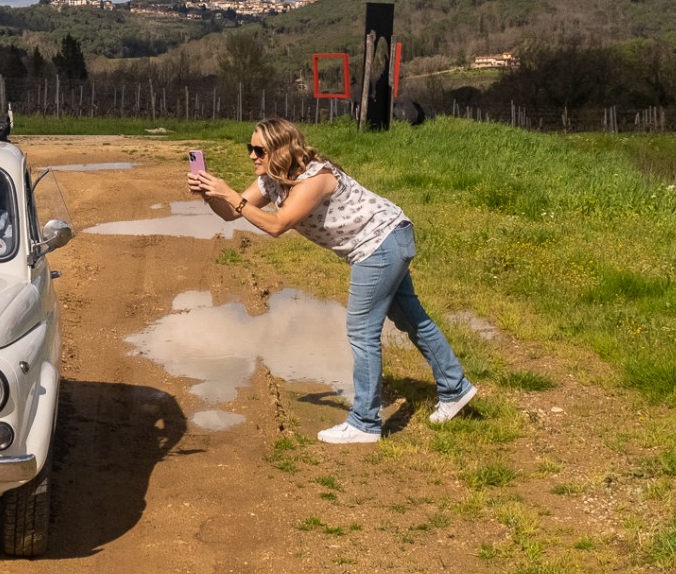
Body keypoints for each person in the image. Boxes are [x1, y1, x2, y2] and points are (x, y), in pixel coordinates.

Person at [187, 118, 475, 444]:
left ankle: (365, 423)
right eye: (249, 148)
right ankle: (455, 388)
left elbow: (277, 225)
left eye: (259, 149)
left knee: (361, 331)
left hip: (379, 244)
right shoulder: (271, 180)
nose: (252, 155)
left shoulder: (314, 178)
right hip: (389, 237)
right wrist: (210, 194)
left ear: (280, 150)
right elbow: (232, 213)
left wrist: (229, 193)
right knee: (410, 318)